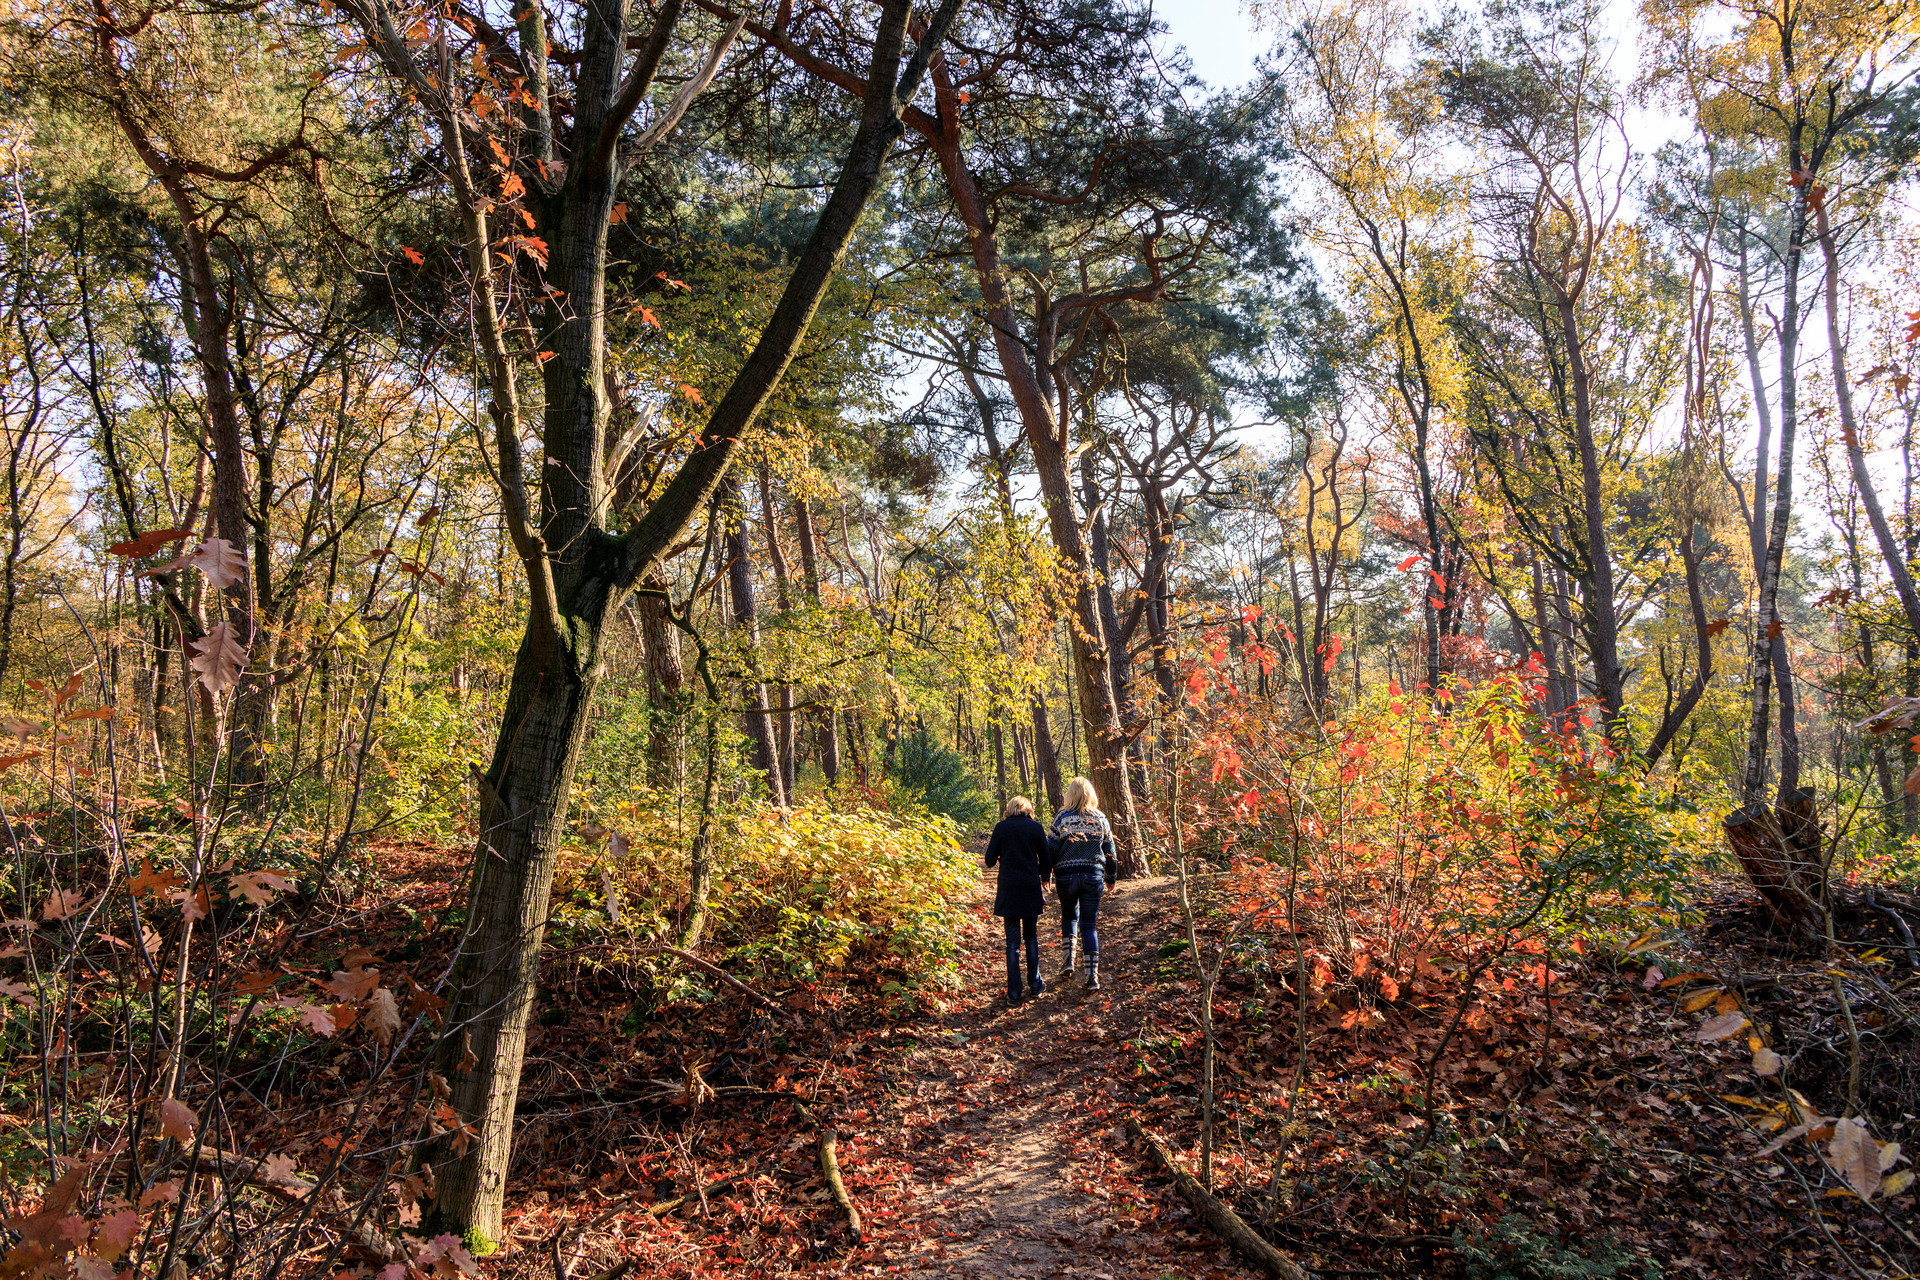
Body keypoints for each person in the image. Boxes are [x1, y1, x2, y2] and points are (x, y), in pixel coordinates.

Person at [1048, 776, 1118, 990]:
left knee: (1069, 916)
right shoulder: (1100, 819)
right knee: (1089, 926)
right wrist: (1111, 877)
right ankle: (1092, 977)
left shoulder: (1061, 818)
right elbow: (1111, 851)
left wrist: (1046, 875)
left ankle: (1069, 962)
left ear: (1071, 795)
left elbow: (1050, 849)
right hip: (1092, 876)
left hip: (1066, 877)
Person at [984, 795, 1050, 1005]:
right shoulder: (1036, 828)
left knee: (1012, 941)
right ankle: (1036, 985)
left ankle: (1014, 993)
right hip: (1030, 887)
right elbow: (1047, 860)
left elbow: (989, 860)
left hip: (1009, 888)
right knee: (1030, 937)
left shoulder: (1001, 827)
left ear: (1009, 809)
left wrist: (1004, 856)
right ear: (1028, 810)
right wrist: (1037, 872)